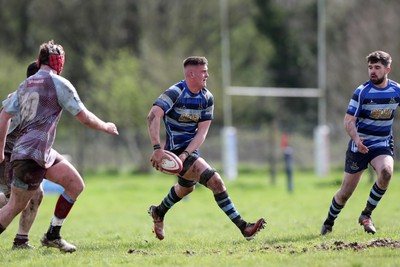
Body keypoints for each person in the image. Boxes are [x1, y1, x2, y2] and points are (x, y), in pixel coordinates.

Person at [0, 40, 119, 252]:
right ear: (59, 62)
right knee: (14, 205)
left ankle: (51, 235)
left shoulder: (24, 85)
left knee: (75, 184)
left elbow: (3, 116)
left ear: (39, 60)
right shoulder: (59, 83)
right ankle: (22, 240)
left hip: (41, 151)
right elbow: (84, 117)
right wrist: (105, 126)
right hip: (30, 153)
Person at [147, 56, 266, 241]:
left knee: (186, 189)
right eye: (204, 71)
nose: (207, 75)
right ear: (191, 74)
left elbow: (202, 133)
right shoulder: (175, 92)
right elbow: (153, 114)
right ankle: (244, 227)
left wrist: (187, 154)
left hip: (188, 152)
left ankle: (158, 212)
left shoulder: (207, 98)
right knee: (215, 181)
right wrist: (157, 148)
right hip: (174, 151)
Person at [321, 51, 400, 235]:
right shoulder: (362, 92)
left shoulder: (396, 91)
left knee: (386, 173)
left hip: (381, 144)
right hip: (359, 146)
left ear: (387, 69)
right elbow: (348, 121)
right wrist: (356, 139)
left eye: (377, 68)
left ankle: (366, 215)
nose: (372, 71)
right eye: (370, 67)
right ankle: (329, 222)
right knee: (345, 193)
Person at [0, 61, 43, 249]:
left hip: (21, 157)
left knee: (33, 195)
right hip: (9, 157)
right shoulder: (21, 97)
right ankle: (21, 240)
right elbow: (3, 122)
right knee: (15, 199)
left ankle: (21, 240)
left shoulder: (42, 98)